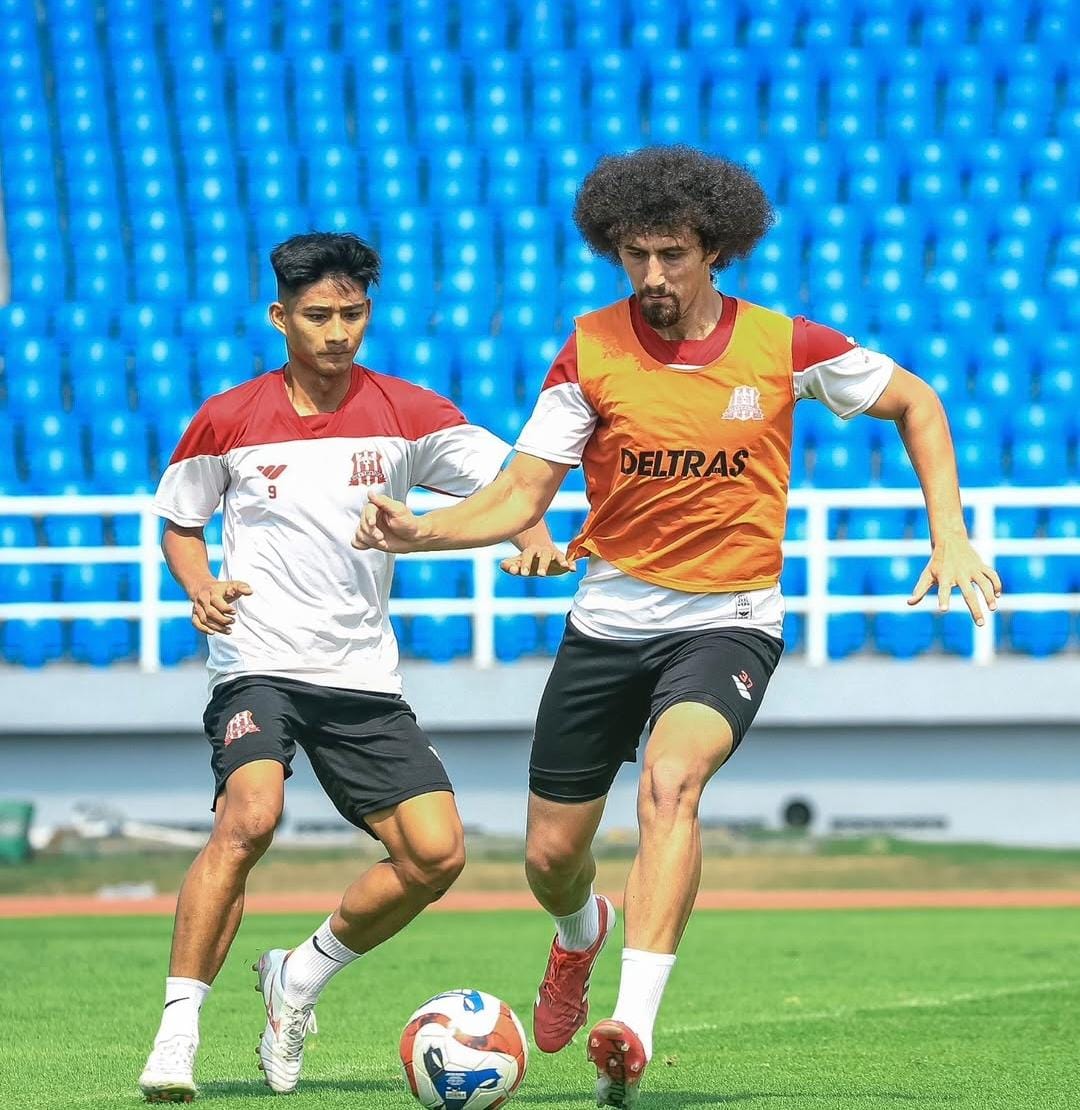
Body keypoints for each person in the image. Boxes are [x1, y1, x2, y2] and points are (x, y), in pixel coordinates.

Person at [352, 146, 1002, 1108]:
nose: (651, 276)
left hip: (731, 619)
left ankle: (635, 1025)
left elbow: (917, 402)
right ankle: (579, 935)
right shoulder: (590, 349)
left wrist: (949, 532)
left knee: (670, 782)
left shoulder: (786, 346)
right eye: (633, 255)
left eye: (671, 254)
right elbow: (523, 491)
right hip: (609, 619)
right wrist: (423, 531)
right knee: (547, 859)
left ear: (715, 250)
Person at [137, 231, 565, 1102]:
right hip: (257, 662)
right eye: (319, 315)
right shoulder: (227, 418)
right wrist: (201, 586)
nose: (339, 331)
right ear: (280, 317)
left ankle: (296, 978)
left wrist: (531, 536)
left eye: (354, 313)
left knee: (436, 857)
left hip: (362, 676)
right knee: (250, 819)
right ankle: (177, 1033)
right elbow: (180, 522)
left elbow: (514, 481)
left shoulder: (409, 411)